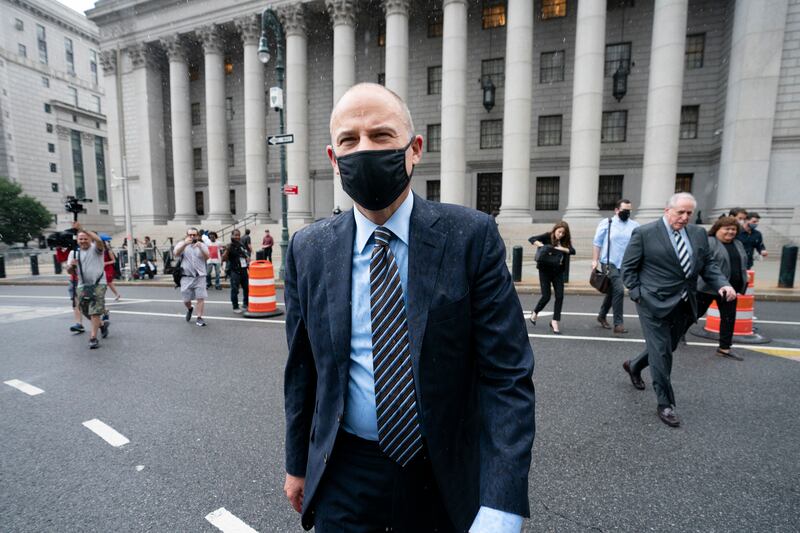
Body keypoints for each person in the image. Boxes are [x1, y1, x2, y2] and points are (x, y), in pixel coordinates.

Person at [283, 83, 535, 533]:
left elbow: (507, 375)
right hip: (345, 474)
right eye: (349, 140)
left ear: (414, 149)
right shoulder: (309, 248)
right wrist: (298, 463)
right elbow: (303, 370)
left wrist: (502, 503)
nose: (363, 149)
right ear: (333, 158)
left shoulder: (470, 237)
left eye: (381, 136)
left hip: (443, 473)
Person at [621, 193, 736, 427]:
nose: (684, 217)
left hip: (684, 302)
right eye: (680, 212)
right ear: (667, 210)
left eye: (689, 213)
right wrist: (638, 294)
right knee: (662, 352)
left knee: (667, 346)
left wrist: (722, 283)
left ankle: (634, 365)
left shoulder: (698, 234)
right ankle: (665, 404)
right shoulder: (645, 233)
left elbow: (708, 264)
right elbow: (628, 268)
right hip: (652, 302)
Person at [697, 216, 749, 361]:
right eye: (727, 229)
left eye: (733, 229)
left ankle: (724, 348)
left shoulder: (738, 243)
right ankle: (674, 337)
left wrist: (743, 276)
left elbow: (742, 262)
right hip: (707, 288)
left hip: (730, 289)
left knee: (728, 319)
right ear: (717, 229)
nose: (731, 232)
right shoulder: (710, 242)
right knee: (692, 315)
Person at [592, 199, 639, 334]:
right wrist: (595, 260)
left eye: (629, 210)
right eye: (625, 210)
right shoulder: (607, 223)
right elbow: (597, 243)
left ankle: (601, 316)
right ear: (617, 210)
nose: (627, 213)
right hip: (609, 262)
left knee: (612, 291)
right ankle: (618, 324)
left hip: (625, 264)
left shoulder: (634, 225)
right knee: (619, 289)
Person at [67, 223, 109, 349]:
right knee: (84, 310)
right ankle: (101, 324)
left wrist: (83, 229)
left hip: (98, 283)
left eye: (85, 238)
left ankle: (93, 338)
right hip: (82, 285)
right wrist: (71, 267)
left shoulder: (96, 249)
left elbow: (99, 240)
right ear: (77, 240)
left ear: (90, 239)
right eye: (81, 239)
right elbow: (69, 271)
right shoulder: (73, 253)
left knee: (94, 311)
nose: (83, 241)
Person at [528, 221, 575, 335]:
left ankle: (555, 321)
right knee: (546, 296)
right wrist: (542, 245)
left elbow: (572, 251)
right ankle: (535, 312)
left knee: (560, 296)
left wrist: (562, 248)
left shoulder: (564, 241)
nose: (560, 235)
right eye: (559, 232)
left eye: (563, 233)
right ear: (555, 230)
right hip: (544, 270)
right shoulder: (547, 236)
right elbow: (531, 239)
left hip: (558, 271)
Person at [174, 227, 210, 327]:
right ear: (187, 235)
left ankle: (199, 318)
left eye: (194, 235)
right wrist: (185, 244)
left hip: (200, 276)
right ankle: (190, 308)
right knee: (186, 300)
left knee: (200, 298)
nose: (192, 237)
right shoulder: (182, 244)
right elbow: (176, 253)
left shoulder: (202, 245)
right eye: (190, 235)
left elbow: (207, 257)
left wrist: (201, 247)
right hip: (186, 277)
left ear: (198, 236)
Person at [56, 243, 84, 334]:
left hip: (87, 281)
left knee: (89, 305)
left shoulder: (91, 250)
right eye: (80, 239)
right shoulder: (72, 251)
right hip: (74, 281)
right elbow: (61, 260)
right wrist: (58, 248)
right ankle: (79, 324)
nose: (82, 241)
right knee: (75, 303)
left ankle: (102, 321)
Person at [222, 229, 249, 314]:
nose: (237, 237)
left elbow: (246, 255)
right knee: (235, 290)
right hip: (234, 271)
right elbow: (224, 258)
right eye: (235, 235)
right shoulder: (229, 246)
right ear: (231, 236)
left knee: (247, 288)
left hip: (244, 270)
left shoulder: (241, 245)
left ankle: (246, 304)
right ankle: (235, 306)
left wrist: (247, 259)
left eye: (238, 235)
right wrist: (227, 250)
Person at [101, 236, 122, 301]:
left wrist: (106, 263)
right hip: (102, 268)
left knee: (108, 282)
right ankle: (117, 294)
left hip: (108, 268)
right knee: (108, 283)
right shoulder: (99, 251)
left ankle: (102, 296)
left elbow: (114, 261)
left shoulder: (108, 251)